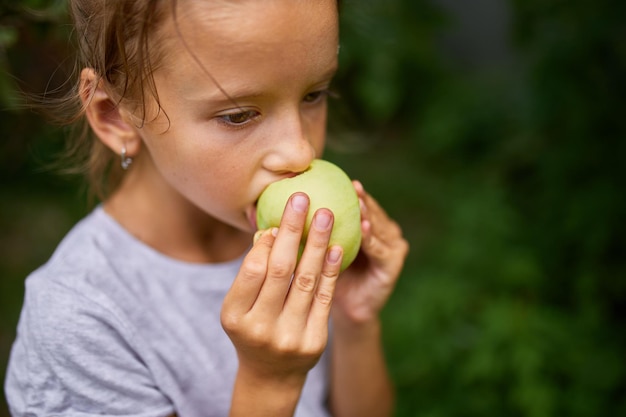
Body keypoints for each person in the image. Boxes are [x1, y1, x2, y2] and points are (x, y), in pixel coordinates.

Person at [4, 1, 409, 416]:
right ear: (117, 118)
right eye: (237, 115)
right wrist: (269, 384)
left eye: (314, 94)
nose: (300, 150)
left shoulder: (294, 251)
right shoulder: (81, 322)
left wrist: (355, 322)